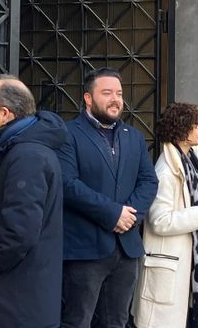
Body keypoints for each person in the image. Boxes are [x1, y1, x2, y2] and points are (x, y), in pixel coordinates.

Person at [0, 76, 67, 327]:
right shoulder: (16, 149)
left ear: (5, 113)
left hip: (11, 303)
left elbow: (19, 232)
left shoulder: (26, 155)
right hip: (10, 299)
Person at [57, 67, 158, 328]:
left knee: (117, 321)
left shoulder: (134, 137)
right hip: (84, 249)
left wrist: (129, 215)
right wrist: (113, 214)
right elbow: (68, 184)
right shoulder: (68, 134)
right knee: (77, 321)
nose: (115, 99)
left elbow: (148, 181)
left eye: (119, 93)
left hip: (126, 249)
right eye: (107, 93)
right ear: (88, 98)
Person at [133, 103, 198, 328]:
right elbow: (159, 221)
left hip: (192, 265)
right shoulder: (166, 171)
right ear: (183, 131)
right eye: (195, 125)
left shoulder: (191, 162)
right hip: (173, 269)